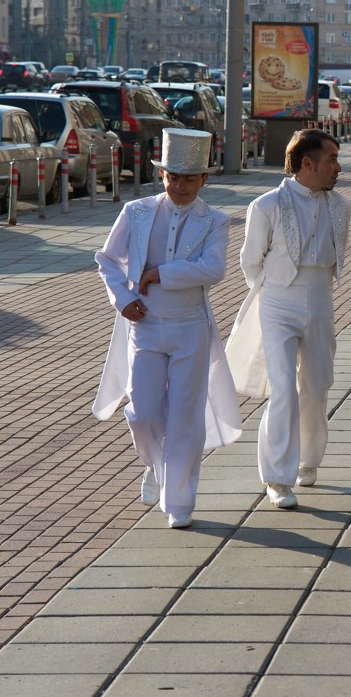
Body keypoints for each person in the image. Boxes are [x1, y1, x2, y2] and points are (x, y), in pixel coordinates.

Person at [93, 128, 242, 529]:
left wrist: (160, 273)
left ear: (204, 180)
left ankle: (179, 502)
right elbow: (107, 259)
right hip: (144, 325)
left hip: (190, 327)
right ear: (161, 175)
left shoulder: (214, 220)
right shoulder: (137, 211)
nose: (179, 185)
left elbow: (214, 269)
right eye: (172, 176)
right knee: (141, 413)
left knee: (184, 417)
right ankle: (156, 465)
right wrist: (123, 300)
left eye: (189, 178)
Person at [225, 129, 350, 510]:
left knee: (316, 385)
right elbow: (250, 261)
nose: (337, 167)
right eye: (331, 159)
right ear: (307, 163)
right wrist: (275, 291)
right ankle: (277, 478)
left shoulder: (340, 204)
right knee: (282, 388)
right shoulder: (266, 205)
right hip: (278, 300)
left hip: (321, 299)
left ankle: (308, 460)